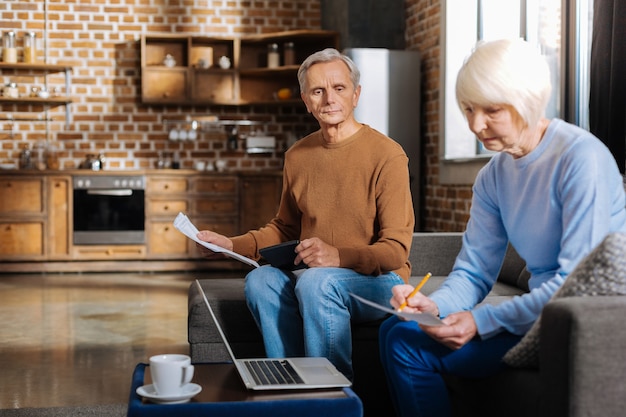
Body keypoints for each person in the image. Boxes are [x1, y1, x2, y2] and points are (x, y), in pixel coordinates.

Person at [379, 38, 626, 417]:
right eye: (468, 110)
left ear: (527, 100)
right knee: (393, 328)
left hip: (578, 321)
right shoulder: (494, 176)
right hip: (536, 314)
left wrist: (480, 320)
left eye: (492, 110)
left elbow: (573, 286)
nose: (476, 125)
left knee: (405, 344)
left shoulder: (581, 159)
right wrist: (433, 305)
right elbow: (474, 270)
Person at [197, 48, 415, 380]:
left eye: (339, 88)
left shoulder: (388, 155)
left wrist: (338, 256)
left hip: (381, 282)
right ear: (306, 100)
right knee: (261, 280)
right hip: (318, 278)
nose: (329, 98)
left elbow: (396, 250)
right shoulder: (298, 156)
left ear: (356, 94)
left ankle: (332, 396)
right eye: (318, 91)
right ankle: (289, 384)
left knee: (316, 283)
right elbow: (284, 229)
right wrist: (229, 243)